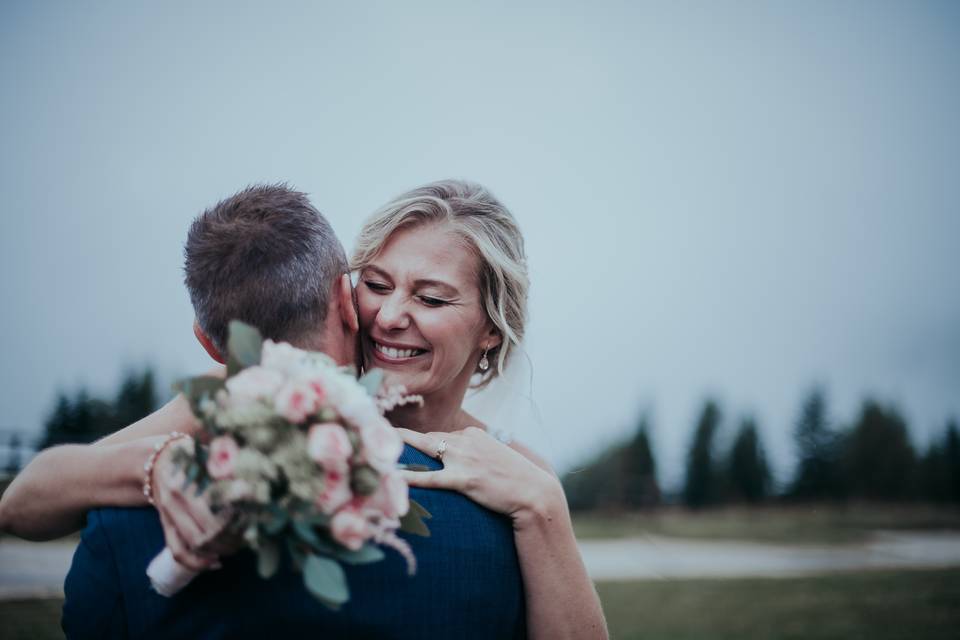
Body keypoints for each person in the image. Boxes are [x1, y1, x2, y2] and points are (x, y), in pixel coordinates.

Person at [0, 181, 607, 639]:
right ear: (345, 294)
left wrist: (545, 504)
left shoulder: (521, 472)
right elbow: (25, 503)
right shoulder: (251, 391)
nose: (392, 315)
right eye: (377, 284)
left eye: (430, 297)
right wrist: (155, 461)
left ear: (491, 329)